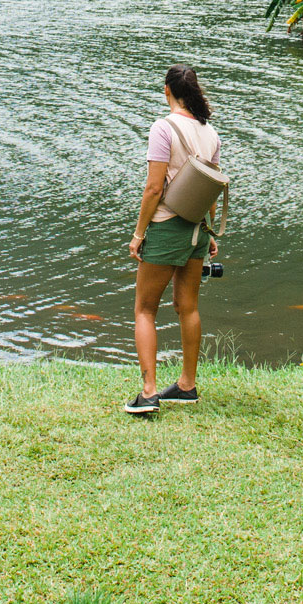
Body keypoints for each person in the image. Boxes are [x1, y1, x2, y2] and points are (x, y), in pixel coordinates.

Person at [122, 63, 222, 417]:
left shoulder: (162, 128)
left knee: (145, 309)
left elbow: (153, 188)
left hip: (167, 226)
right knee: (188, 307)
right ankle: (186, 386)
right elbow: (211, 187)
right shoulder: (210, 133)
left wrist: (138, 235)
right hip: (197, 229)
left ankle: (148, 393)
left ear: (167, 90)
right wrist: (209, 233)